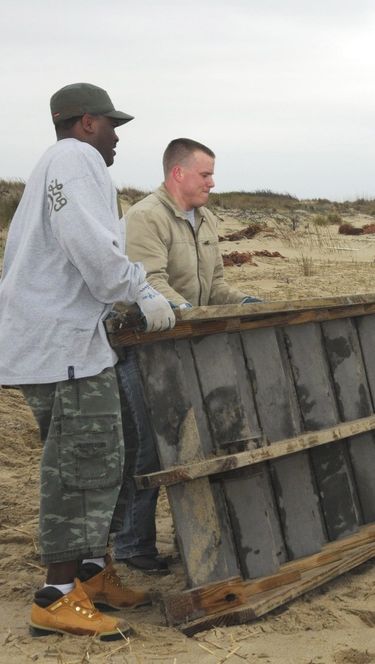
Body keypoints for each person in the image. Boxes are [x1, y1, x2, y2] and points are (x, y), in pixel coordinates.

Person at [0, 83, 176, 641]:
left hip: (67, 343)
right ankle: (57, 596)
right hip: (58, 348)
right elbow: (91, 244)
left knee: (113, 455)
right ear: (88, 123)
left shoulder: (59, 162)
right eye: (113, 126)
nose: (118, 138)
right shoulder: (75, 158)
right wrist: (139, 293)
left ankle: (93, 574)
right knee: (81, 465)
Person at [114, 138, 261, 574]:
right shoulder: (145, 218)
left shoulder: (208, 219)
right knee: (144, 449)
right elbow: (150, 283)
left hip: (186, 345)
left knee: (187, 443)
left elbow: (215, 284)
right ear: (177, 173)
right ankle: (130, 544)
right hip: (143, 350)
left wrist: (246, 303)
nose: (212, 183)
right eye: (205, 174)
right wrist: (196, 317)